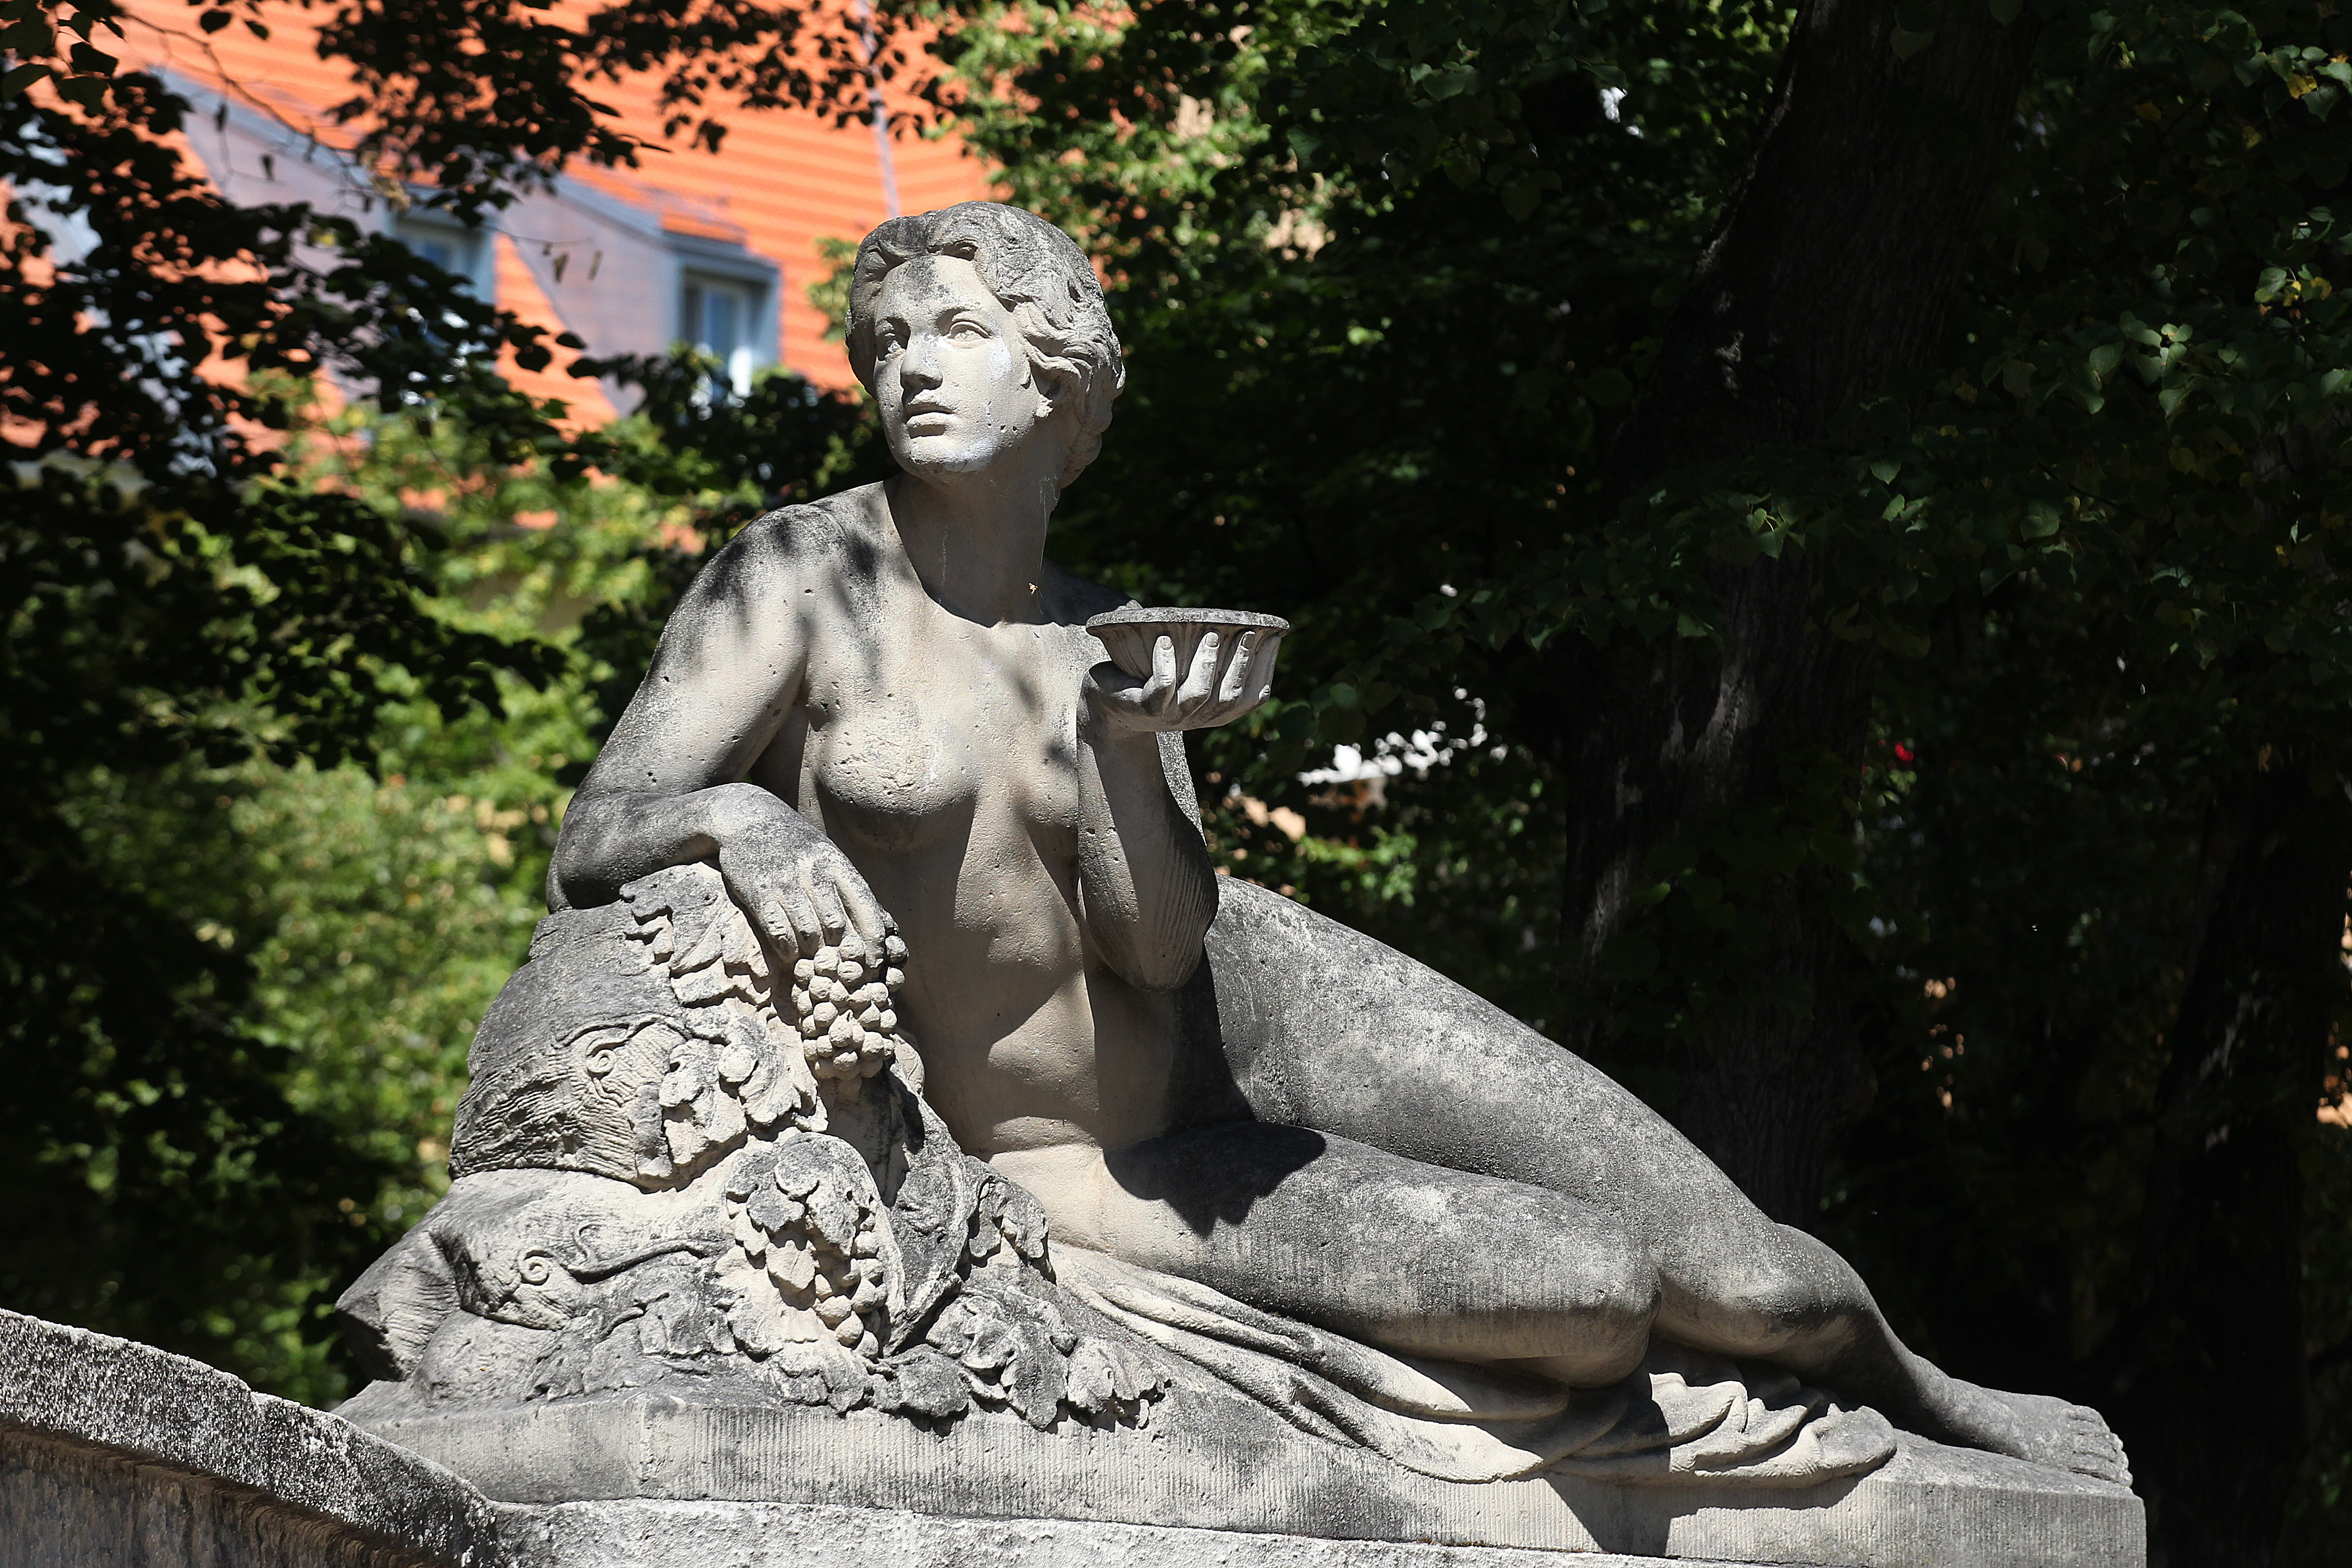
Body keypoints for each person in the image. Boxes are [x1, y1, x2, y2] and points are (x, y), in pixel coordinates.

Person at [550, 200, 2127, 1484]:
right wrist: (738, 822)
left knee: (1752, 1273)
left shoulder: (1108, 633)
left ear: (1055, 373)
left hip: (1260, 993)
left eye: (959, 330)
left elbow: (1164, 946)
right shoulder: (801, 577)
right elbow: (599, 827)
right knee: (1590, 1294)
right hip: (1097, 1169)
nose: (914, 368)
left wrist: (1126, 740)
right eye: (888, 341)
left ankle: (1921, 1381)